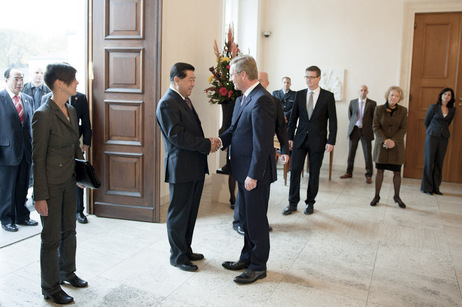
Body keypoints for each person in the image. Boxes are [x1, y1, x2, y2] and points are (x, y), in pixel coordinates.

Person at [156, 62, 220, 272]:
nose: (194, 83)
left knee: (191, 212)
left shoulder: (184, 100)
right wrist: (206, 144)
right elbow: (177, 137)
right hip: (181, 168)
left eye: (194, 79)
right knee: (179, 213)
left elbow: (190, 132)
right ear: (177, 80)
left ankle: (185, 249)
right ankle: (177, 256)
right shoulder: (167, 103)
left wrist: (207, 142)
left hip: (194, 166)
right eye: (190, 79)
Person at [33, 63, 88, 304]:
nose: (77, 83)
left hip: (69, 181)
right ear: (59, 84)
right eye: (73, 79)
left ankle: (68, 272)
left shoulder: (72, 110)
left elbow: (76, 147)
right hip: (51, 186)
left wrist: (83, 175)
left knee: (70, 230)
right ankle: (50, 287)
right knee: (51, 237)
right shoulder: (43, 115)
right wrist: (40, 196)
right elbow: (38, 158)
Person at [219, 55, 277, 284]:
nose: (231, 79)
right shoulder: (243, 98)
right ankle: (246, 257)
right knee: (245, 219)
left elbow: (262, 143)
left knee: (256, 221)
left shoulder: (262, 99)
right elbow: (234, 129)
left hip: (255, 174)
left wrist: (253, 174)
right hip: (242, 170)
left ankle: (258, 265)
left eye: (232, 74)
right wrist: (217, 142)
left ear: (243, 74)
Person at [231, 72, 289, 235]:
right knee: (243, 196)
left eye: (261, 80)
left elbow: (280, 128)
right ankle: (240, 222)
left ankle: (258, 223)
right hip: (244, 160)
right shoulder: (239, 101)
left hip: (261, 159)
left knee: (260, 198)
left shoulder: (271, 101)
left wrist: (284, 149)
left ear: (267, 83)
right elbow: (234, 129)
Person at [283, 66, 337, 216]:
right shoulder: (299, 95)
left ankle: (310, 203)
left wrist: (331, 140)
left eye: (312, 77)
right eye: (306, 77)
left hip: (318, 141)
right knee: (294, 171)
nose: (308, 80)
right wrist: (289, 137)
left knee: (314, 173)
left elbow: (332, 121)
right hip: (300, 140)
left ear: (319, 78)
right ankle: (292, 204)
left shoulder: (328, 96)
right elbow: (293, 118)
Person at [42, 91, 92, 223]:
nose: (76, 83)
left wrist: (86, 142)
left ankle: (79, 210)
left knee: (78, 175)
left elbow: (86, 120)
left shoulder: (80, 98)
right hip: (57, 148)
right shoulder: (46, 100)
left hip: (76, 143)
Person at [0, 68, 38, 232]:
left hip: (25, 151)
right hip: (6, 152)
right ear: (6, 80)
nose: (19, 82)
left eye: (21, 79)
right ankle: (6, 219)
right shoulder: (1, 99)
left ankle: (22, 216)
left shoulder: (28, 99)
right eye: (16, 79)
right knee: (7, 188)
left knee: (23, 186)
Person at [370, 86, 408, 208]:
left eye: (397, 96)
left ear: (399, 98)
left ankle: (397, 196)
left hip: (397, 147)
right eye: (392, 95)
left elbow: (403, 128)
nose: (394, 98)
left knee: (397, 173)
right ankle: (376, 196)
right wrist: (385, 140)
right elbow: (376, 127)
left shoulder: (403, 110)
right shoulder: (379, 109)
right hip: (382, 146)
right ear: (388, 95)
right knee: (379, 171)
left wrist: (393, 141)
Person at [421, 88, 456, 195]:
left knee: (439, 162)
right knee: (429, 161)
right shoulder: (434, 107)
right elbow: (427, 121)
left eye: (449, 95)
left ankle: (436, 187)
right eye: (445, 94)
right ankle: (427, 188)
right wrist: (433, 130)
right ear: (441, 96)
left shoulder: (453, 110)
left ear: (451, 97)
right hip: (432, 136)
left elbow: (448, 123)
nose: (446, 96)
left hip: (444, 137)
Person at [340, 85, 377, 183]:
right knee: (351, 152)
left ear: (367, 92)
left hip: (366, 131)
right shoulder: (353, 102)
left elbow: (374, 118)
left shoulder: (372, 104)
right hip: (354, 130)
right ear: (358, 91)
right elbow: (350, 115)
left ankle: (369, 175)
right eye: (361, 90)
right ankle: (349, 172)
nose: (363, 92)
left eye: (365, 90)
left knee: (367, 153)